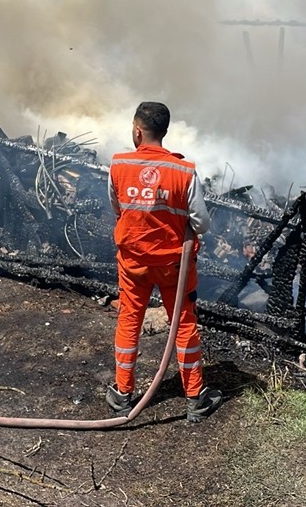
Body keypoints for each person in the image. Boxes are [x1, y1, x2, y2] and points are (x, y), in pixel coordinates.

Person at [106, 101, 222, 422]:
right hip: (175, 267)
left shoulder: (118, 164)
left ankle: (122, 394)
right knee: (183, 324)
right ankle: (195, 398)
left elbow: (118, 208)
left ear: (138, 130)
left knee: (130, 320)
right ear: (164, 131)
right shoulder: (183, 171)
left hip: (133, 264)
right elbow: (201, 223)